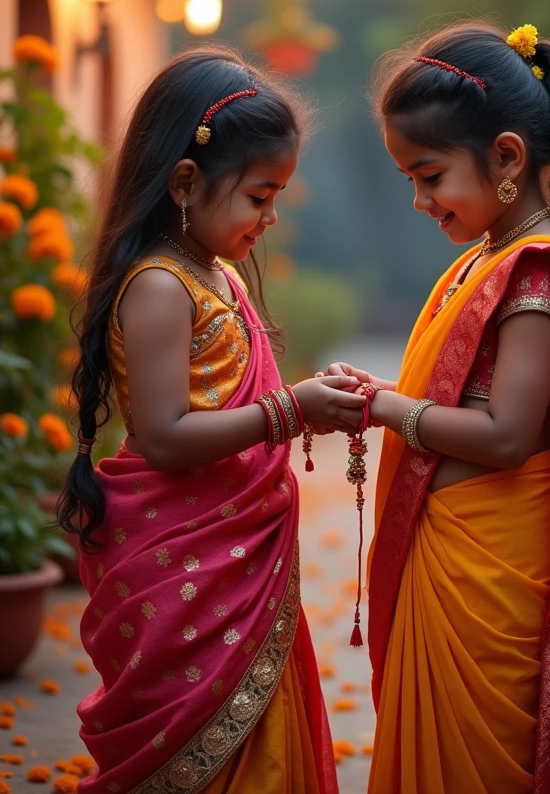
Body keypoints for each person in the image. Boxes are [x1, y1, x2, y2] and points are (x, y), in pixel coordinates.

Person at [328, 23, 550, 793]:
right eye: (409, 181)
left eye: (430, 175)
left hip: (491, 583)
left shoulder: (533, 274)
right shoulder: (482, 261)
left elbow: (504, 436)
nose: (422, 200)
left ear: (506, 157)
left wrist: (386, 409)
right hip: (455, 561)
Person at [57, 46, 365, 794]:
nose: (270, 216)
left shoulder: (214, 272)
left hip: (239, 561)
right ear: (187, 182)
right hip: (184, 566)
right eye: (260, 196)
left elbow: (225, 398)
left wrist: (303, 395)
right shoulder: (161, 286)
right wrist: (293, 410)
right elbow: (164, 434)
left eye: (277, 197)